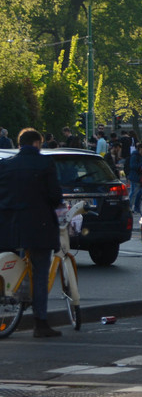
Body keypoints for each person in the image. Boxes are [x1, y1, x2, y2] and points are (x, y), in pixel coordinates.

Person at [0, 128, 63, 337]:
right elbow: (55, 196)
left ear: (20, 144)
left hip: (10, 227)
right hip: (39, 227)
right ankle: (40, 322)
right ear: (37, 144)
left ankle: (13, 296)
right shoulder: (45, 164)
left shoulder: (6, 165)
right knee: (40, 273)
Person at [128, 142, 142, 214]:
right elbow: (133, 166)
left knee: (139, 194)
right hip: (135, 177)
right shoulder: (135, 156)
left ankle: (136, 207)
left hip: (140, 178)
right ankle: (129, 207)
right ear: (140, 148)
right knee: (133, 193)